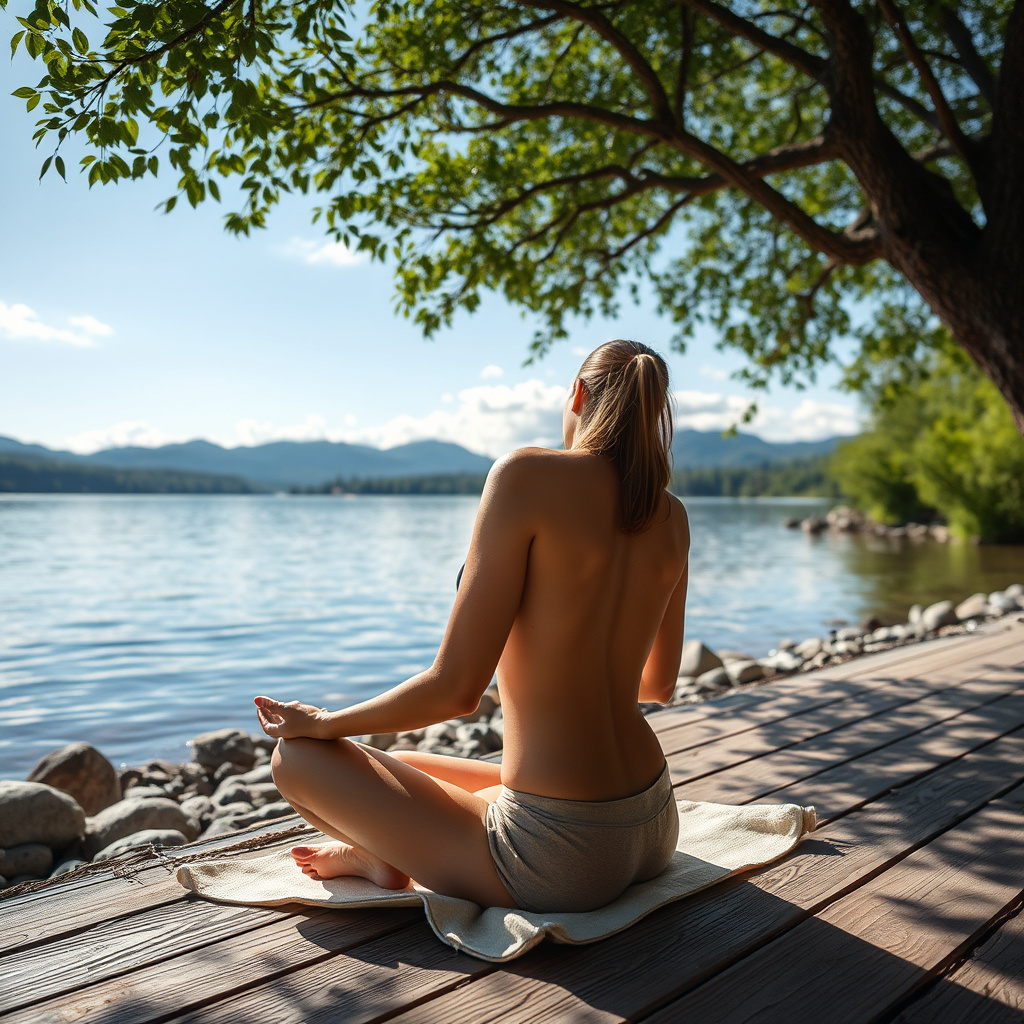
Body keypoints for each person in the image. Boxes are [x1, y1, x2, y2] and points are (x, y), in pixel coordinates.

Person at [254, 339, 690, 912]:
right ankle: (386, 854)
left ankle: (390, 853)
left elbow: (456, 690)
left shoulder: (527, 475)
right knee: (400, 769)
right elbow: (658, 685)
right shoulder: (670, 515)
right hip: (653, 822)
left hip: (560, 856)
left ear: (578, 396)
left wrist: (324, 723)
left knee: (300, 760)